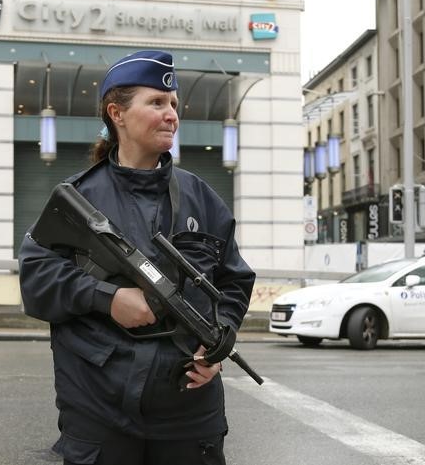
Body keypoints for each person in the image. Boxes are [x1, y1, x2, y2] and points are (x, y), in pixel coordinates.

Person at [18, 50, 255, 465]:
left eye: (174, 105)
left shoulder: (201, 197)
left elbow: (234, 281)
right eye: (157, 103)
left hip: (189, 410)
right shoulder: (77, 199)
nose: (171, 115)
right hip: (98, 408)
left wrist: (218, 344)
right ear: (118, 113)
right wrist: (105, 298)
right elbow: (37, 281)